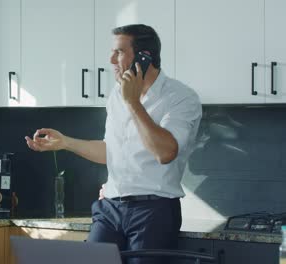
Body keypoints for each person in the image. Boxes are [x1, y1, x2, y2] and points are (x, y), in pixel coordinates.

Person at [25, 24, 202, 264]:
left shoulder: (180, 97)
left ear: (144, 57)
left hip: (153, 211)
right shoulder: (116, 95)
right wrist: (66, 142)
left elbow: (166, 152)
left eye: (118, 52)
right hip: (109, 208)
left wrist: (134, 103)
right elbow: (112, 152)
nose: (111, 60)